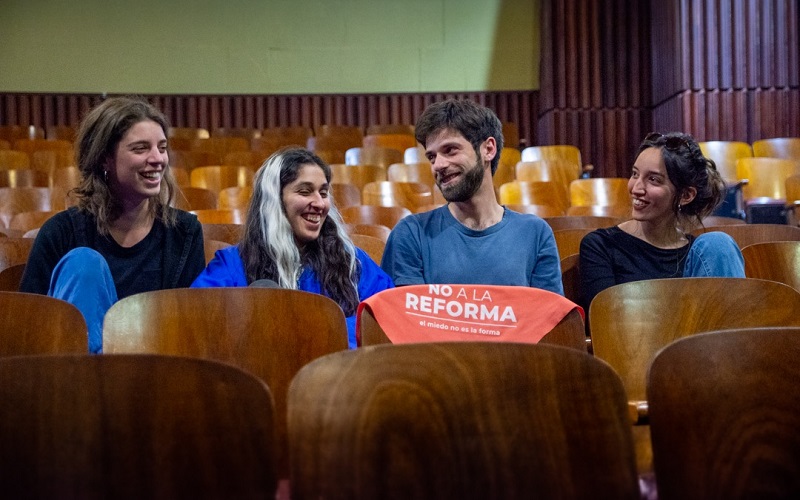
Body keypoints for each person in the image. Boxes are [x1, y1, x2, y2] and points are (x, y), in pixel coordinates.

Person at [19, 96, 206, 353]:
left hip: (156, 369)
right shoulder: (61, 232)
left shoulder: (184, 232)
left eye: (162, 148)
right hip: (73, 375)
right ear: (104, 158)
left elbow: (189, 328)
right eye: (140, 148)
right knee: (83, 263)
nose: (158, 159)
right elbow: (29, 326)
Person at [191, 147, 394, 348]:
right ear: (275, 201)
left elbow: (385, 318)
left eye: (323, 193)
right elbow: (199, 324)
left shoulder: (352, 262)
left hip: (340, 374)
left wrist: (306, 333)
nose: (319, 203)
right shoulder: (233, 264)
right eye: (304, 191)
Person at [380, 98, 563, 294]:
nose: (438, 165)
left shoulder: (534, 233)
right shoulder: (411, 234)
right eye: (431, 156)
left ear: (488, 149)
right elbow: (407, 320)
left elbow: (548, 321)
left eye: (450, 150)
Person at [579, 132, 745, 310]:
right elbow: (605, 322)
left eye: (653, 179)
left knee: (718, 243)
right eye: (635, 174)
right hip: (636, 336)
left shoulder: (702, 256)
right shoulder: (601, 245)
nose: (636, 188)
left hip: (702, 336)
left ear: (686, 195)